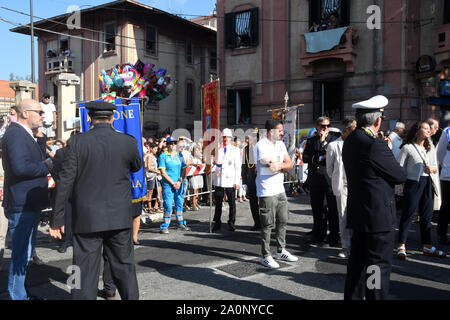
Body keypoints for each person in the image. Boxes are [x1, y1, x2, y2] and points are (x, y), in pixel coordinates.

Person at [49, 101, 142, 300]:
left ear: (89, 118)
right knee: (124, 266)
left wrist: (57, 218)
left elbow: (65, 181)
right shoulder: (128, 141)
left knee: (82, 269)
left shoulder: (77, 142)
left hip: (87, 217)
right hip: (119, 216)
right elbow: (136, 166)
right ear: (112, 118)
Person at [343, 95, 407, 300]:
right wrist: (388, 150)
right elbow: (399, 175)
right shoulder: (375, 144)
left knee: (357, 266)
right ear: (378, 120)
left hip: (360, 213)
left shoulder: (351, 139)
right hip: (378, 218)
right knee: (377, 267)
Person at [2, 99, 50, 300]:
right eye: (39, 112)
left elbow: (35, 158)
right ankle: (17, 296)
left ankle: (20, 293)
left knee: (25, 252)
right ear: (24, 113)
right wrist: (48, 166)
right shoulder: (14, 133)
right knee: (20, 254)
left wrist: (39, 138)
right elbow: (21, 168)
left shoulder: (25, 134)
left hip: (29, 203)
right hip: (22, 204)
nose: (43, 115)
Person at [396, 121, 445, 259]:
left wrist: (432, 169)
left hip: (428, 182)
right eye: (425, 128)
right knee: (408, 213)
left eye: (430, 129)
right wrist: (399, 186)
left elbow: (436, 166)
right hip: (413, 183)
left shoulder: (430, 148)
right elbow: (399, 168)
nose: (429, 131)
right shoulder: (407, 148)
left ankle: (427, 246)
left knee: (426, 215)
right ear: (417, 131)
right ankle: (401, 244)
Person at [256, 119, 298, 268]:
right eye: (280, 131)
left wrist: (279, 165)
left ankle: (281, 250)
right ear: (271, 132)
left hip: (279, 189)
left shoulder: (280, 144)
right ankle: (265, 255)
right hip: (267, 190)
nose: (282, 133)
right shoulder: (261, 145)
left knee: (283, 220)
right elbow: (273, 166)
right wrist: (281, 166)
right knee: (267, 224)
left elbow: (290, 164)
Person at [303, 116, 339, 246]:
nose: (326, 128)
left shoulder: (334, 140)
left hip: (328, 179)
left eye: (328, 126)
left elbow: (331, 157)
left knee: (332, 210)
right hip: (315, 179)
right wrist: (319, 158)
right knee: (317, 209)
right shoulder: (312, 140)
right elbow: (306, 157)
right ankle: (318, 235)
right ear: (317, 126)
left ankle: (334, 236)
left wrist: (323, 142)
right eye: (323, 126)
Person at [326, 116, 357, 258]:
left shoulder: (358, 143)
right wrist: (339, 180)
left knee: (357, 215)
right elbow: (329, 169)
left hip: (358, 185)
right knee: (343, 216)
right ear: (347, 130)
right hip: (342, 185)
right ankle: (346, 246)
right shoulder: (333, 146)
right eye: (354, 129)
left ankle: (357, 244)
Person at [158, 136, 190, 234]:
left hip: (179, 184)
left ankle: (180, 223)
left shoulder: (179, 155)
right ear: (167, 145)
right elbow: (163, 172)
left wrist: (180, 181)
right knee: (168, 205)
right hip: (168, 185)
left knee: (179, 204)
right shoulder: (163, 156)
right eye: (171, 143)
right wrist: (172, 183)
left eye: (174, 143)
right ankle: (165, 226)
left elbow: (184, 169)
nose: (173, 145)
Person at [212, 128, 242, 232]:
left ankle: (231, 222)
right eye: (224, 137)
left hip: (230, 179)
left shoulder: (235, 150)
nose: (225, 139)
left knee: (232, 203)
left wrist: (237, 181)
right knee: (218, 202)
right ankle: (217, 222)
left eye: (227, 137)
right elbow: (213, 163)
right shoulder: (217, 150)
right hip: (219, 179)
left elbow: (238, 167)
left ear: (230, 138)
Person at [242, 130, 261, 231]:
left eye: (253, 137)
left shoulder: (262, 148)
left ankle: (265, 222)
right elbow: (244, 166)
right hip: (251, 179)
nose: (251, 139)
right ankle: (257, 222)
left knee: (263, 202)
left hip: (261, 179)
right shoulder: (246, 149)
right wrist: (244, 181)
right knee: (253, 202)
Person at [436, 121, 450, 245]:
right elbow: (439, 153)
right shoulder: (447, 131)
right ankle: (442, 234)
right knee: (446, 206)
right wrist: (445, 166)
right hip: (448, 176)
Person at [145, 143, 162, 213]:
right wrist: (156, 171)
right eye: (155, 149)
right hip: (151, 176)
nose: (156, 150)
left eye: (157, 149)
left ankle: (156, 206)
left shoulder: (154, 156)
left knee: (159, 190)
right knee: (150, 192)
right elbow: (148, 167)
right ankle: (149, 208)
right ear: (151, 148)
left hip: (156, 176)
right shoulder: (149, 156)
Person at [189, 144, 204, 211]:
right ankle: (193, 204)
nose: (197, 152)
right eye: (196, 151)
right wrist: (196, 164)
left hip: (199, 174)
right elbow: (189, 163)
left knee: (198, 189)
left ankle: (196, 202)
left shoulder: (199, 157)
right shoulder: (191, 157)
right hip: (193, 175)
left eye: (198, 150)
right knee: (194, 189)